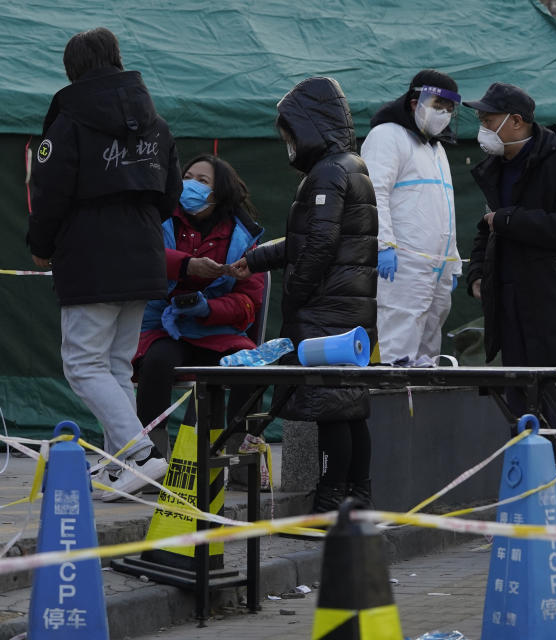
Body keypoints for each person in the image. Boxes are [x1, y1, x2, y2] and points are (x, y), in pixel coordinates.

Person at [26, 27, 180, 500]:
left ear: (73, 68)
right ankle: (121, 467)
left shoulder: (69, 120)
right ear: (115, 57)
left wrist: (42, 244)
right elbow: (171, 197)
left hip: (91, 257)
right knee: (115, 364)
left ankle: (139, 454)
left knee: (82, 363)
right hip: (143, 254)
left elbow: (49, 194)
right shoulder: (155, 122)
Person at [230, 77, 378, 512]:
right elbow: (313, 237)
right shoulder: (352, 166)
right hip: (351, 310)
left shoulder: (328, 173)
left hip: (325, 312)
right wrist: (256, 260)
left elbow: (317, 246)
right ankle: (358, 497)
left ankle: (330, 502)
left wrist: (295, 298)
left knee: (330, 409)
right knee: (350, 408)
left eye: (290, 133)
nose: (288, 143)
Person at [463, 83, 556, 376]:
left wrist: (510, 220)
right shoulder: (495, 169)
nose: (482, 129)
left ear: (517, 121)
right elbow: (487, 227)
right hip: (514, 319)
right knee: (522, 416)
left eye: (489, 121)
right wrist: (478, 274)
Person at [134, 155, 265, 459]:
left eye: (202, 181)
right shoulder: (158, 218)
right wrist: (186, 268)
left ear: (219, 194)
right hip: (163, 327)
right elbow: (145, 258)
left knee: (251, 365)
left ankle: (239, 456)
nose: (190, 185)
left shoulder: (243, 236)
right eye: (187, 177)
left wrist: (208, 309)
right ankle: (149, 457)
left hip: (217, 330)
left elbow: (249, 302)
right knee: (156, 362)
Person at [361, 70, 461, 364]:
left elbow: (445, 207)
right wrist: (382, 245)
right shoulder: (387, 136)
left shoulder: (436, 148)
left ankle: (421, 402)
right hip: (401, 264)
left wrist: (452, 260)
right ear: (414, 101)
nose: (442, 114)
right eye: (436, 105)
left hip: (436, 266)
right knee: (398, 342)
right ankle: (394, 404)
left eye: (448, 110)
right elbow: (372, 192)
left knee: (428, 348)